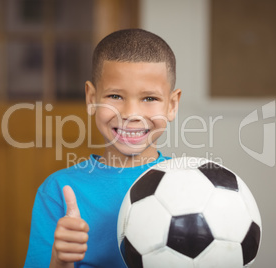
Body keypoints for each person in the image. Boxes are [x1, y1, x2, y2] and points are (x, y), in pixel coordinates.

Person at [24, 28, 182, 268]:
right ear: (91, 98)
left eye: (149, 98)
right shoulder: (58, 191)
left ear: (172, 105)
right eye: (115, 96)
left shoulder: (189, 185)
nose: (131, 114)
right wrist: (60, 261)